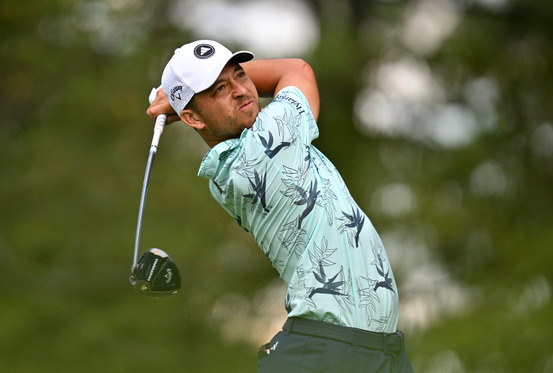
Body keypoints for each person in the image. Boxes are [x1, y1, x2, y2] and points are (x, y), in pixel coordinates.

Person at [147, 39, 414, 372]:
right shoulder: (266, 143)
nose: (241, 91)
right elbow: (294, 70)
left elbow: (260, 86)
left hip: (372, 350)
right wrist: (175, 100)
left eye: (240, 75)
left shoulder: (232, 163)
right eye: (218, 90)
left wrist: (183, 98)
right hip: (327, 351)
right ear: (192, 118)